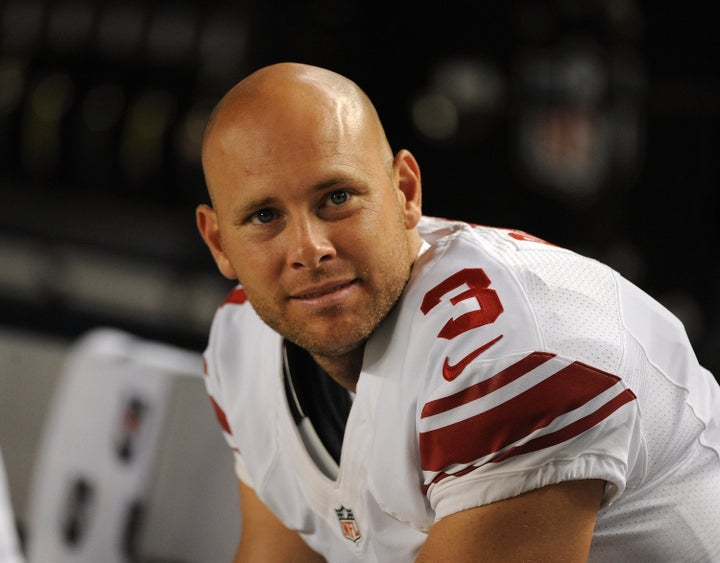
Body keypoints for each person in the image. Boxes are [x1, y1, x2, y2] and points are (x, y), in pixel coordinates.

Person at [195, 61, 720, 562]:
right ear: (218, 242)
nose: (309, 249)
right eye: (265, 216)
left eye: (336, 198)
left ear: (405, 192)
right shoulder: (243, 340)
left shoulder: (513, 349)